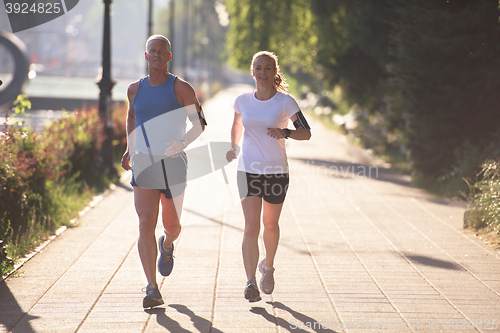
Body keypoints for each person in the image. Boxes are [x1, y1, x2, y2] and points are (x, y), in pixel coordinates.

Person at [121, 35, 206, 308]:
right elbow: (132, 116)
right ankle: (151, 287)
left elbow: (199, 124)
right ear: (146, 56)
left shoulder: (181, 88)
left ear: (169, 57)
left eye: (162, 51)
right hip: (144, 161)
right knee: (145, 222)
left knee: (172, 225)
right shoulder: (134, 89)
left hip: (172, 164)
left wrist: (182, 143)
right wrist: (129, 147)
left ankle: (167, 244)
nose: (157, 55)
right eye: (152, 51)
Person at [226, 51, 311, 302]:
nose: (263, 73)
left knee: (270, 225)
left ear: (275, 72)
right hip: (247, 170)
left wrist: (285, 132)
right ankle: (250, 282)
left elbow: (305, 132)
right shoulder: (242, 100)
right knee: (251, 226)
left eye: (268, 68)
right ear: (252, 72)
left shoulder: (285, 102)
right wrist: (233, 146)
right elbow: (237, 125)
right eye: (258, 68)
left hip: (276, 172)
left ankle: (268, 267)